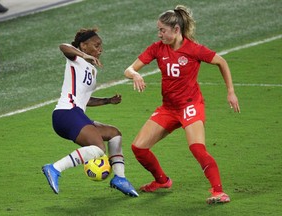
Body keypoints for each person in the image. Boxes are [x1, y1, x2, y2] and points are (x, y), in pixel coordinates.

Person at [124, 5, 240, 204]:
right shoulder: (156, 48)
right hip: (168, 108)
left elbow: (222, 62)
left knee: (197, 148)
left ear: (176, 30)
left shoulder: (194, 49)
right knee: (139, 147)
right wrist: (135, 74)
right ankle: (162, 181)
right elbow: (129, 69)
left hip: (190, 106)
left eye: (163, 30)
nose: (159, 34)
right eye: (159, 30)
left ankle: (218, 192)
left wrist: (231, 91)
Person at [42, 28, 139, 197]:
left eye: (101, 46)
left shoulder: (92, 70)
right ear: (84, 46)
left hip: (76, 113)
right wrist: (83, 55)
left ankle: (120, 178)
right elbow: (63, 46)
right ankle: (54, 168)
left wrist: (107, 101)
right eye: (96, 45)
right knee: (98, 148)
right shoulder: (75, 59)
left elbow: (85, 99)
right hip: (66, 114)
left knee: (114, 134)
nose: (100, 49)